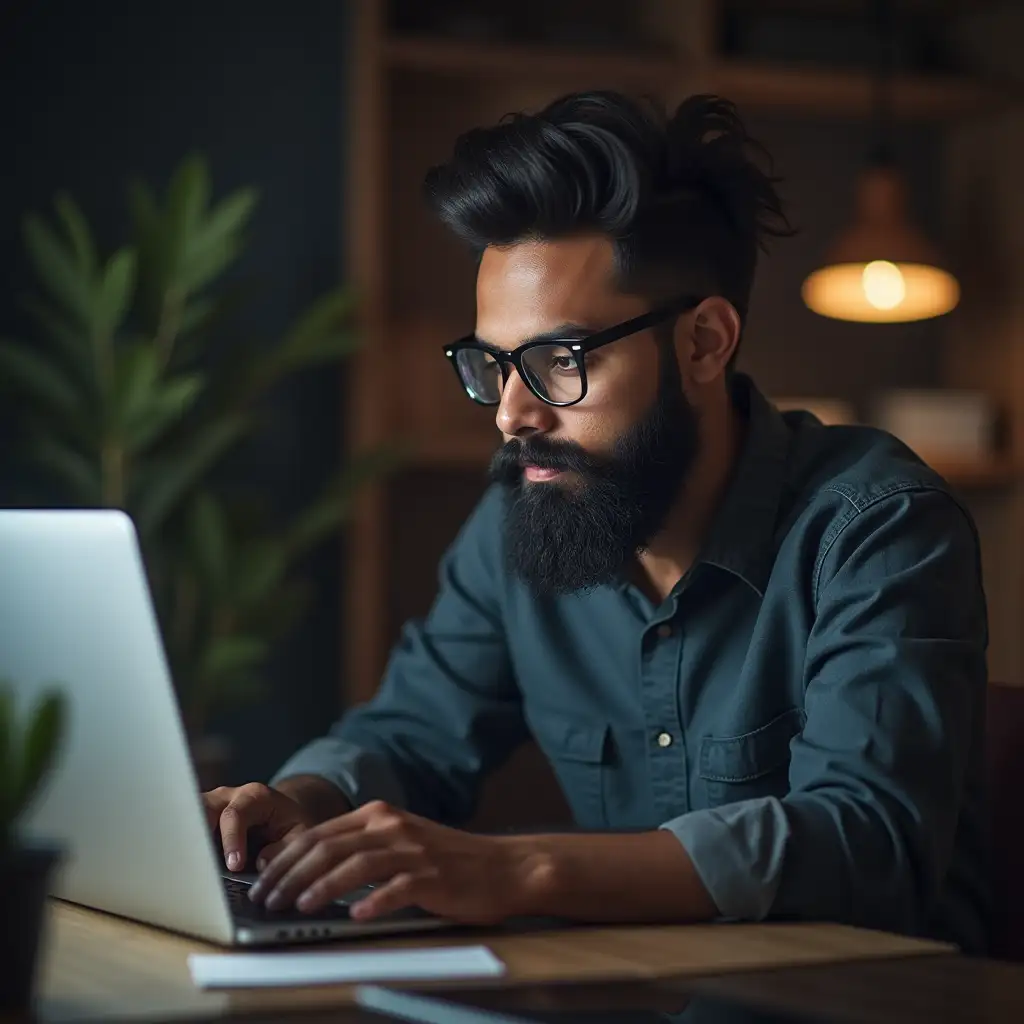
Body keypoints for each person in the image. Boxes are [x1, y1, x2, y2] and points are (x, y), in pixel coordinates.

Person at [203, 91, 990, 951]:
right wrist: (297, 805)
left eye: (558, 361)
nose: (511, 414)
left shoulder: (877, 529)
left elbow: (867, 840)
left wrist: (517, 870)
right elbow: (411, 734)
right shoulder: (526, 510)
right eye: (494, 365)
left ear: (703, 342)